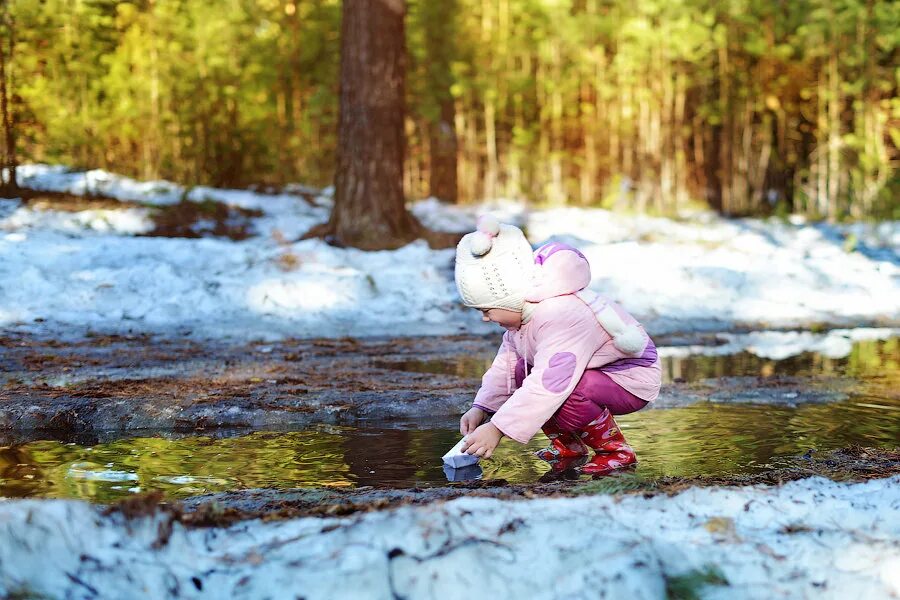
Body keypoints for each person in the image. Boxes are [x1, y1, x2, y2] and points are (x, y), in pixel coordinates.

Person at [456, 216, 661, 475]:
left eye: (487, 310)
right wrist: (482, 408)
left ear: (510, 299)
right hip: (588, 373)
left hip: (629, 378)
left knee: (568, 387)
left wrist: (498, 428)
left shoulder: (561, 315)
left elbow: (549, 384)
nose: (485, 319)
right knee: (523, 371)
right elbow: (505, 368)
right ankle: (569, 446)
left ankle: (616, 451)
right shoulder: (521, 320)